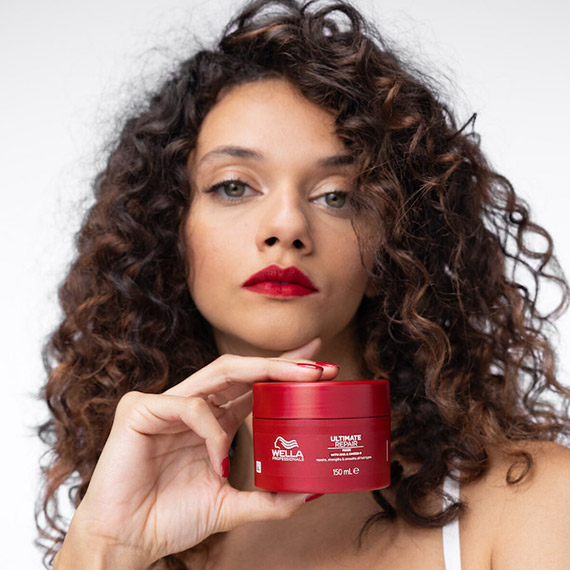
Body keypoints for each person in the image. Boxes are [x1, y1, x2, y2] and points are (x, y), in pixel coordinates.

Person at [37, 0, 570, 568]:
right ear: (170, 232)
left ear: (392, 249)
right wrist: (104, 547)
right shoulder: (142, 537)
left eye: (336, 196)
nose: (288, 226)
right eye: (235, 187)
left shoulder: (531, 505)